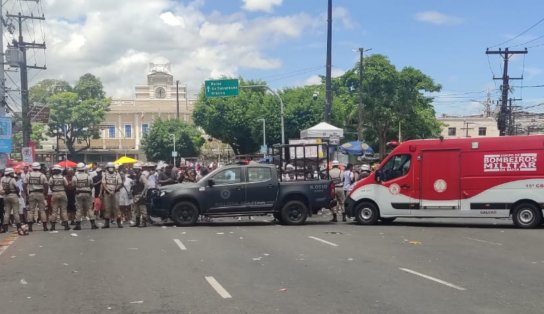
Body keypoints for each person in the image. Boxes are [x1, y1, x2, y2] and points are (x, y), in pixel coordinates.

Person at [24, 162, 49, 231]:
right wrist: (45, 194)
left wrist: (26, 194)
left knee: (31, 211)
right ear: (39, 168)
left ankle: (30, 228)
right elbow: (46, 185)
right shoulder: (42, 175)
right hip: (40, 193)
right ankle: (44, 227)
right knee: (42, 210)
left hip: (31, 193)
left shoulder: (28, 175)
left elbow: (24, 185)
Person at [74, 163, 98, 230]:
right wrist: (88, 189)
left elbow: (73, 185)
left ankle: (78, 225)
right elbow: (91, 185)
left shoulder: (75, 176)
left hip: (79, 194)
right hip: (87, 193)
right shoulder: (88, 176)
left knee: (79, 209)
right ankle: (93, 224)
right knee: (89, 208)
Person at [101, 162, 122, 228]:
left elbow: (120, 183)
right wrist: (109, 191)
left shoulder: (117, 174)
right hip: (107, 193)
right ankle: (106, 223)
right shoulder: (104, 175)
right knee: (107, 208)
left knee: (116, 207)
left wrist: (114, 190)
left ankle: (119, 222)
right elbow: (104, 184)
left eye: (112, 168)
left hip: (115, 193)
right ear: (107, 168)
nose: (111, 169)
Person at [49, 165, 71, 231]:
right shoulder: (63, 178)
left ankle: (53, 226)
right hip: (62, 193)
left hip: (55, 193)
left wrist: (54, 190)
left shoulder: (51, 178)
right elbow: (66, 185)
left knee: (54, 211)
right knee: (64, 210)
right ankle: (66, 226)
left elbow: (50, 186)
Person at [1, 168, 21, 234]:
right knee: (16, 212)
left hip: (6, 196)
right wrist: (18, 194)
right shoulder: (12, 179)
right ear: (10, 173)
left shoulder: (2, 179)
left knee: (7, 212)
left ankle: (5, 228)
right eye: (12, 173)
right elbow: (17, 188)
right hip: (13, 195)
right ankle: (19, 227)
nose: (13, 174)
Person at [130, 163, 148, 227]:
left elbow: (146, 185)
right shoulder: (136, 176)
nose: (135, 170)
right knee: (136, 210)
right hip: (135, 195)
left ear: (139, 169)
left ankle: (144, 223)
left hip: (141, 195)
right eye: (134, 169)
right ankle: (137, 222)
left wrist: (143, 193)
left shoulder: (142, 176)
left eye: (136, 169)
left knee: (142, 209)